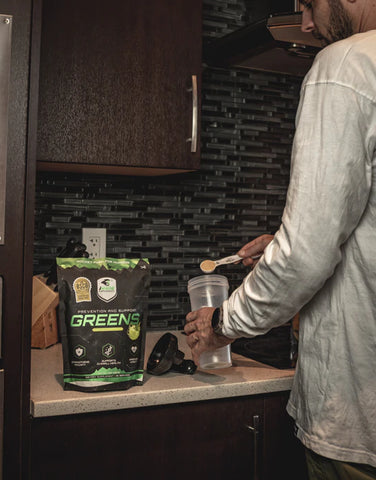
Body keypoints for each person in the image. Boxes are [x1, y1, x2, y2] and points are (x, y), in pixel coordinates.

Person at [184, 1, 376, 478]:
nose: (307, 23)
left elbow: (305, 257)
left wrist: (224, 322)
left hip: (358, 416)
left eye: (310, 3)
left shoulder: (347, 64)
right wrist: (285, 242)